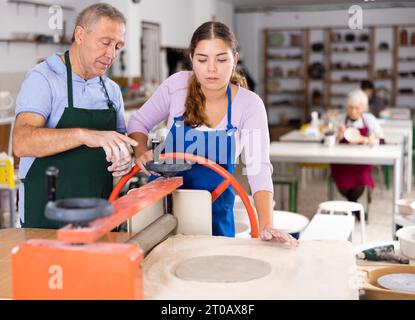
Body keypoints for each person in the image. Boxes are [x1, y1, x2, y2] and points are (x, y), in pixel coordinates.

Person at [127, 21, 298, 246]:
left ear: (235, 60)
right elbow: (138, 123)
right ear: (191, 59)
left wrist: (266, 224)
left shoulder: (249, 105)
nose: (211, 69)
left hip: (213, 211)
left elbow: (259, 167)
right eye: (202, 59)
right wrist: (141, 150)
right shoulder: (177, 87)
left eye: (221, 59)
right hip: (161, 210)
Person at [13, 3, 138, 229]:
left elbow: (120, 146)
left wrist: (125, 159)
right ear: (80, 35)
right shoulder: (43, 79)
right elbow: (22, 142)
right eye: (105, 42)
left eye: (118, 46)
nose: (111, 54)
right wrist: (84, 135)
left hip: (100, 219)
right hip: (46, 219)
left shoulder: (111, 90)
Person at [331, 89, 385, 214]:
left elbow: (382, 140)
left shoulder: (369, 119)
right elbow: (325, 141)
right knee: (341, 178)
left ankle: (350, 207)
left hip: (362, 162)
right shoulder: (340, 119)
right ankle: (355, 208)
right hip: (341, 163)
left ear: (363, 108)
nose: (353, 111)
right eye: (350, 107)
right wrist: (337, 136)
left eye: (357, 108)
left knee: (362, 177)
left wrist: (365, 139)